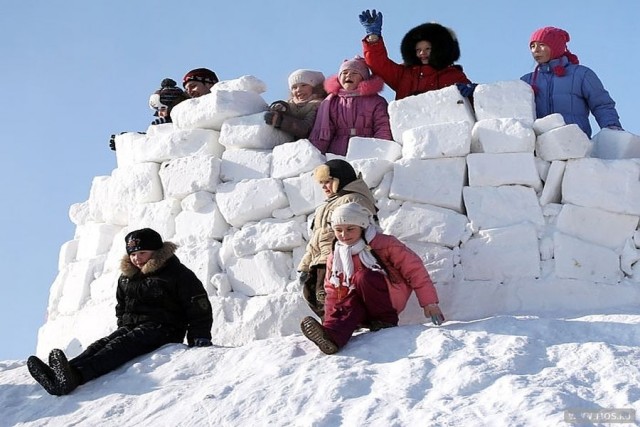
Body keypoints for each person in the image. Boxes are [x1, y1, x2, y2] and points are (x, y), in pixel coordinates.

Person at [27, 228, 214, 396]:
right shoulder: (127, 278)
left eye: (143, 253)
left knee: (118, 348)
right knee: (101, 344)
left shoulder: (177, 274)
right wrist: (123, 326)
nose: (137, 258)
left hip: (163, 329)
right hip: (134, 326)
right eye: (133, 254)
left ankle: (76, 376)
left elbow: (198, 306)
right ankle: (63, 372)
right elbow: (121, 306)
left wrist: (200, 336)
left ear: (157, 252)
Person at [300, 202, 445, 355]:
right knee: (347, 296)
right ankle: (331, 337)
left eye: (350, 229)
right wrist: (329, 319)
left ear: (362, 226)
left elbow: (415, 270)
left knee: (363, 277)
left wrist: (429, 303)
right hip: (358, 305)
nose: (344, 235)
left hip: (387, 301)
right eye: (338, 230)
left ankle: (384, 322)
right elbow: (332, 290)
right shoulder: (335, 255)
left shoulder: (384, 244)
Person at [298, 159, 377, 319]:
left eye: (328, 182)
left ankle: (335, 331)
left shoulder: (353, 200)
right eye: (322, 183)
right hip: (320, 261)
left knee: (330, 299)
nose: (324, 187)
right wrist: (305, 265)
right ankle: (331, 330)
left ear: (342, 179)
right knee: (313, 295)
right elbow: (317, 238)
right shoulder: (328, 204)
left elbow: (365, 231)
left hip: (338, 260)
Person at [520, 26, 622, 137]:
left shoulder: (581, 75)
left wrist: (612, 129)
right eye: (532, 46)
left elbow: (601, 105)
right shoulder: (527, 81)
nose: (536, 50)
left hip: (576, 144)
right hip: (540, 148)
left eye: (542, 45)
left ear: (555, 47)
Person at [359, 9, 474, 100]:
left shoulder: (452, 75)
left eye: (428, 49)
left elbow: (479, 101)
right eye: (418, 50)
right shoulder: (405, 74)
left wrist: (473, 92)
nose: (422, 53)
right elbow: (379, 65)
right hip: (408, 126)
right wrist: (373, 37)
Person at [308, 56, 392, 156]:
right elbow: (323, 133)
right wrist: (317, 155)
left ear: (363, 78)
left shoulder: (376, 101)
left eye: (354, 73)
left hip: (366, 149)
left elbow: (383, 127)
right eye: (344, 73)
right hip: (337, 152)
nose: (348, 76)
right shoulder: (331, 102)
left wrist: (379, 151)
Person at [264, 69, 326, 140]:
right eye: (294, 87)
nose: (298, 90)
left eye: (303, 85)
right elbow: (284, 108)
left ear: (315, 88)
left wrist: (280, 121)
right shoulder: (289, 104)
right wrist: (278, 108)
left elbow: (307, 129)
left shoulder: (317, 105)